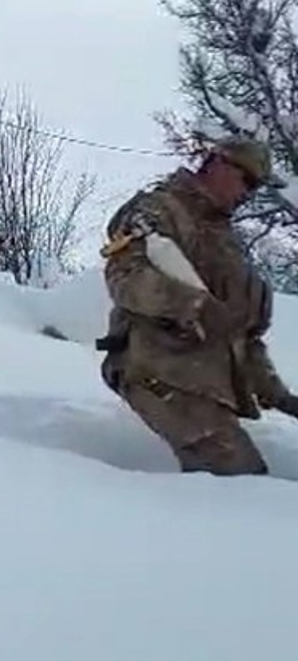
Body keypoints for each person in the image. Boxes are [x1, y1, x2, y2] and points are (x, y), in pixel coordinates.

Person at [98, 135, 297, 476]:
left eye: (257, 188)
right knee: (239, 482)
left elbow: (241, 336)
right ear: (217, 165)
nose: (248, 194)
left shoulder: (228, 243)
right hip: (159, 373)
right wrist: (192, 305)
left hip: (209, 389)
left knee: (247, 482)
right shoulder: (157, 211)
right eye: (246, 180)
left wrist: (279, 396)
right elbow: (125, 278)